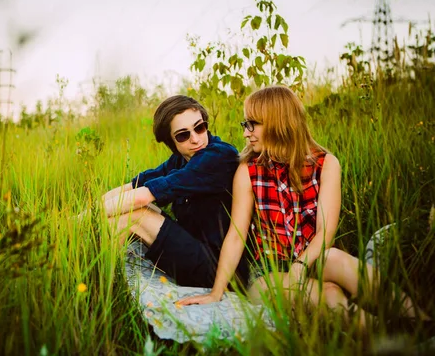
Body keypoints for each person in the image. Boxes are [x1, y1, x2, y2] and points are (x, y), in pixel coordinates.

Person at [178, 86, 429, 329]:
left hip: (314, 258)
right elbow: (236, 235)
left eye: (252, 124)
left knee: (334, 256)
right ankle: (390, 337)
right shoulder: (248, 171)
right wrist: (216, 292)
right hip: (268, 273)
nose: (246, 133)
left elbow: (325, 233)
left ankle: (419, 321)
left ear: (278, 123)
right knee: (327, 293)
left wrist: (300, 267)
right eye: (246, 125)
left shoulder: (326, 164)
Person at [102, 95, 247, 288]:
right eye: (183, 135)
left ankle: (104, 285)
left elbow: (143, 196)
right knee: (122, 214)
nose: (195, 139)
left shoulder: (218, 157)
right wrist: (89, 208)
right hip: (192, 249)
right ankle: (102, 278)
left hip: (221, 269)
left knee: (131, 216)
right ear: (172, 142)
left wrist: (82, 219)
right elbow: (135, 185)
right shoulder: (182, 158)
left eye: (199, 127)